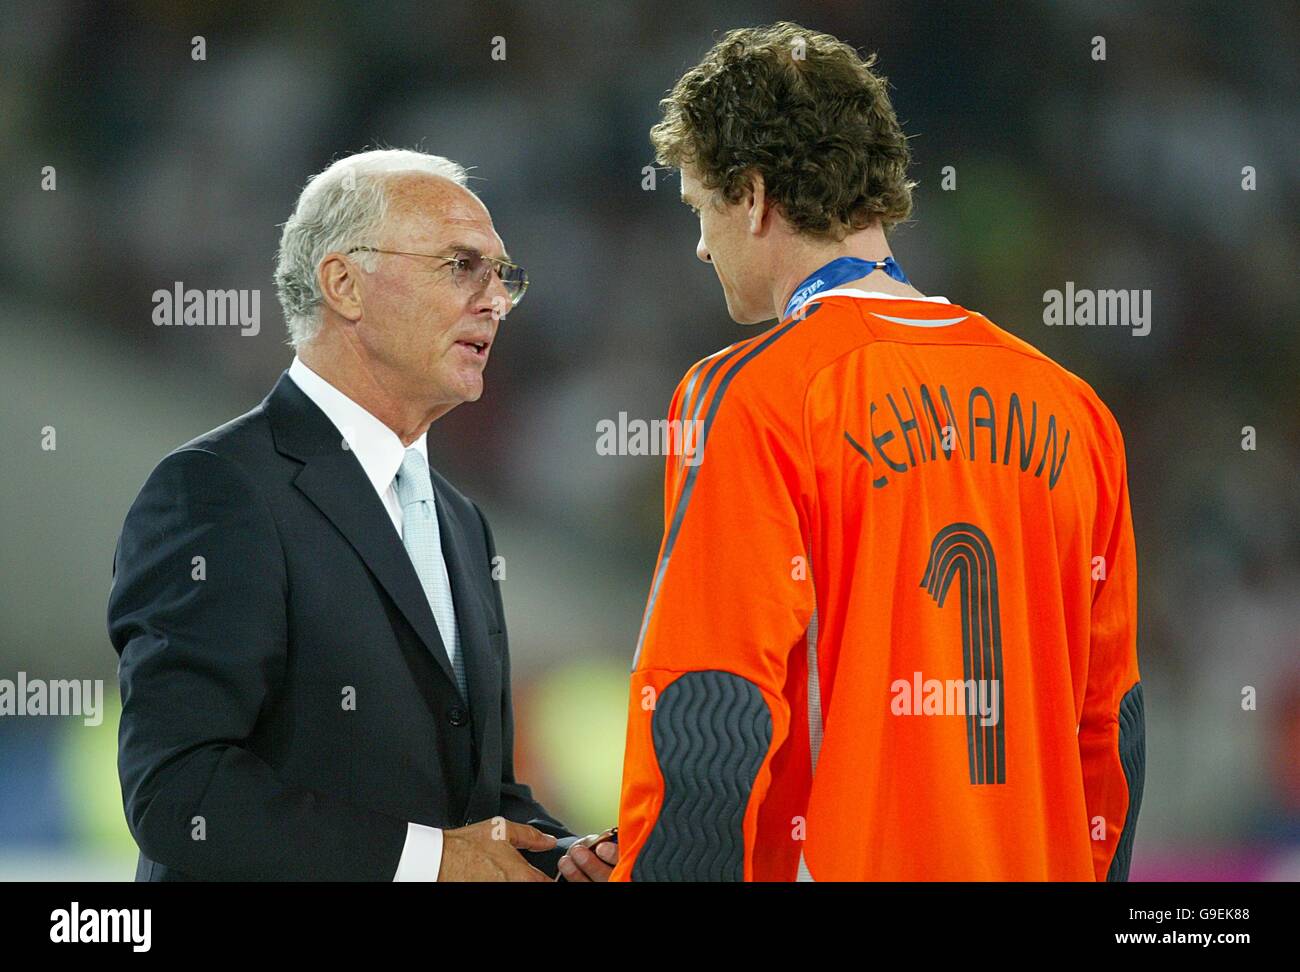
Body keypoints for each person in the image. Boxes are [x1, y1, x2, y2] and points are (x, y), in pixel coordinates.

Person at [606, 23, 1144, 881]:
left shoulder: (754, 394)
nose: (703, 245)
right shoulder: (1076, 410)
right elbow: (1112, 730)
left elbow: (709, 709)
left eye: (700, 208)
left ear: (751, 196)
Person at [108, 148, 576, 880]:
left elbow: (475, 797)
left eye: (502, 275)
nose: (497, 300)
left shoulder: (459, 522)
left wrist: (567, 857)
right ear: (344, 284)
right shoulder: (217, 491)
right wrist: (428, 863)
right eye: (461, 266)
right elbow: (180, 791)